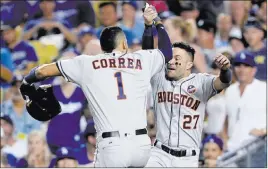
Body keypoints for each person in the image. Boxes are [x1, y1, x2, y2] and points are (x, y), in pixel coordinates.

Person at [19, 5, 172, 167]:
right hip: (142, 145)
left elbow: (43, 72)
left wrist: (27, 80)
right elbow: (166, 52)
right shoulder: (140, 60)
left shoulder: (88, 63)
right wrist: (155, 23)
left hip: (112, 146)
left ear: (102, 47)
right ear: (124, 45)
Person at [142, 11, 232, 167]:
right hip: (159, 153)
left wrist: (225, 69)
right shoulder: (159, 77)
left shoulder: (201, 82)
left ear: (189, 65)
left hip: (187, 158)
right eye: (170, 58)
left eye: (177, 59)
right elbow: (148, 56)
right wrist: (149, 26)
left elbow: (223, 82)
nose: (171, 62)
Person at [224, 51, 266, 167]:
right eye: (238, 65)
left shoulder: (264, 88)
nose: (241, 69)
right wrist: (224, 140)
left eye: (246, 66)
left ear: (254, 69)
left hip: (256, 148)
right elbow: (226, 120)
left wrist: (264, 132)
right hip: (232, 150)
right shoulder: (230, 90)